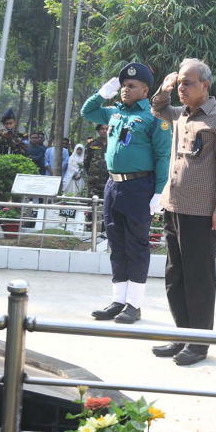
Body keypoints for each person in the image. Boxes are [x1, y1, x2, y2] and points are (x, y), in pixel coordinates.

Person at [150, 58, 216, 366]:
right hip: (174, 205)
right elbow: (158, 108)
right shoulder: (180, 114)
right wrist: (164, 88)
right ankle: (182, 335)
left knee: (198, 278)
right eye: (180, 83)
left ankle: (198, 344)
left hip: (201, 212)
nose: (182, 89)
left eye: (187, 83)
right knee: (175, 275)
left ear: (205, 85)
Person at [82, 62, 172, 325]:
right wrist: (102, 93)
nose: (125, 89)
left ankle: (134, 304)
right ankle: (118, 301)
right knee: (117, 244)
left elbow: (163, 157)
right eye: (123, 85)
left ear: (145, 91)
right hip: (113, 186)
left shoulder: (155, 117)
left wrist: (158, 193)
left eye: (131, 86)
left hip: (139, 187)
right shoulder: (114, 113)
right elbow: (87, 111)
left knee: (136, 245)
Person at [85, 124, 110, 198]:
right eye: (102, 129)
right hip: (94, 182)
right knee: (92, 203)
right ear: (98, 131)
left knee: (108, 203)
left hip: (109, 180)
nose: (104, 131)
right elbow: (86, 162)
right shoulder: (92, 144)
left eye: (107, 129)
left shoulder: (113, 144)